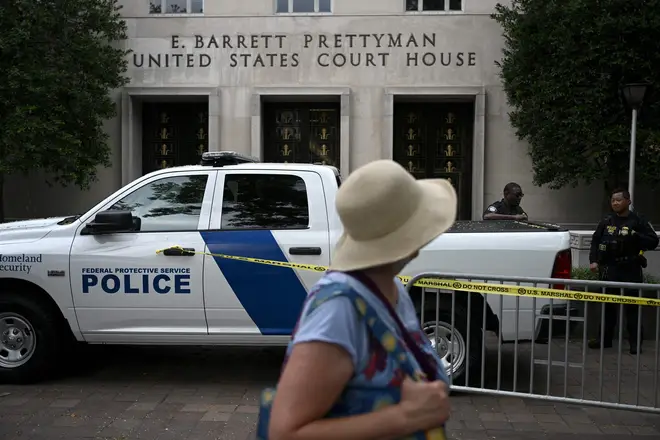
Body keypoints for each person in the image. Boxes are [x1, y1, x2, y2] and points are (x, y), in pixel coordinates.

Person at [267, 160, 456, 440]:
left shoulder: (392, 290)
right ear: (412, 244)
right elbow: (285, 433)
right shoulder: (338, 308)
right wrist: (406, 417)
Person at [588, 188, 659, 354]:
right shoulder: (606, 221)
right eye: (613, 200)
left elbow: (653, 241)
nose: (615, 203)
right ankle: (604, 340)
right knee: (607, 308)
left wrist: (635, 235)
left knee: (632, 309)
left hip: (630, 269)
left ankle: (635, 344)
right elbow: (595, 241)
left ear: (628, 201)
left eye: (618, 200)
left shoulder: (639, 221)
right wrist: (593, 261)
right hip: (609, 269)